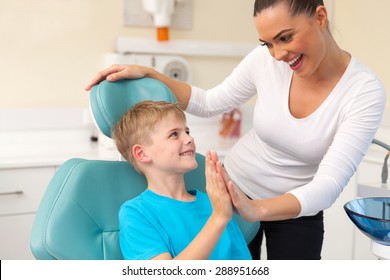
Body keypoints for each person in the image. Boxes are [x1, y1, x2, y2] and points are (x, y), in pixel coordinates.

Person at [86, 0, 386, 260]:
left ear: (320, 18)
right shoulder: (265, 62)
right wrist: (152, 75)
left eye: (285, 37)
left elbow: (328, 185)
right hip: (235, 187)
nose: (278, 54)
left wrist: (255, 210)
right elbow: (208, 102)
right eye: (267, 43)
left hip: (294, 207)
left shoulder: (363, 92)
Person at [111, 100, 251, 260]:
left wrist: (220, 214)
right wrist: (218, 219)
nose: (189, 139)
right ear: (142, 154)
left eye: (187, 131)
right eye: (174, 134)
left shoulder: (215, 203)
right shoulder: (136, 213)